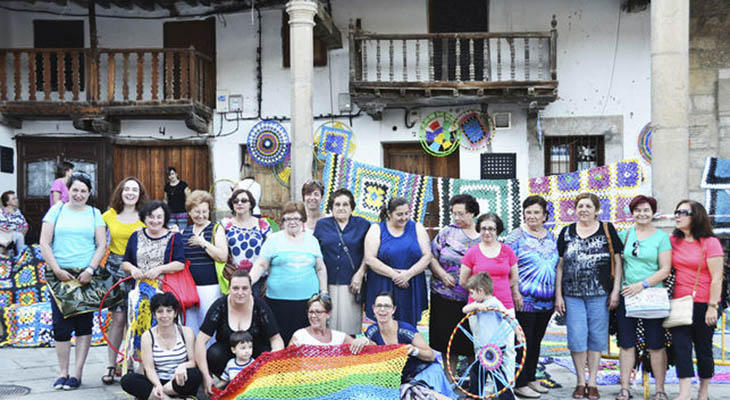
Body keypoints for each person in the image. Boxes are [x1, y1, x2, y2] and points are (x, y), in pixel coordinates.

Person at [39, 173, 106, 390]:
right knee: (60, 325)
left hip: (85, 276)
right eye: (75, 190)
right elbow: (44, 242)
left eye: (83, 191)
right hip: (60, 276)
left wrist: (90, 269)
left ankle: (76, 374)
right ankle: (62, 372)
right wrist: (56, 269)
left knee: (83, 324)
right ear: (68, 190)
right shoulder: (56, 210)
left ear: (89, 193)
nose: (78, 194)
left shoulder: (95, 213)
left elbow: (102, 245)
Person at [554, 192, 622, 400]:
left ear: (596, 209)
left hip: (600, 294)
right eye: (580, 206)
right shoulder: (566, 232)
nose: (583, 210)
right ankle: (580, 381)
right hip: (572, 295)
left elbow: (618, 262)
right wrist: (558, 295)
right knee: (576, 337)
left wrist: (616, 291)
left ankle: (592, 382)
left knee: (596, 337)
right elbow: (560, 266)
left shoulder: (607, 229)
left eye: (588, 206)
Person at [614, 195, 671, 400]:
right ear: (632, 213)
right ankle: (625, 388)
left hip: (652, 295)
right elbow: (618, 262)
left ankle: (660, 389)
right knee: (626, 343)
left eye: (646, 210)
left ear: (653, 212)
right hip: (627, 296)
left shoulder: (661, 237)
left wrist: (642, 284)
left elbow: (665, 269)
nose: (642, 214)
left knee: (655, 344)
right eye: (638, 210)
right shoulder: (626, 235)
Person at [503, 195, 558, 398]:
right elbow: (507, 265)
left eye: (536, 212)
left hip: (547, 301)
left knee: (536, 340)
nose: (532, 216)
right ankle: (520, 381)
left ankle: (531, 377)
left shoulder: (551, 236)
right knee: (523, 341)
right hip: (524, 299)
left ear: (545, 216)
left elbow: (557, 265)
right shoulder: (515, 237)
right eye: (528, 212)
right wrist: (514, 291)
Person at [196, 270, 284, 396]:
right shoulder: (220, 305)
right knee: (213, 353)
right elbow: (200, 340)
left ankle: (256, 386)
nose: (240, 293)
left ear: (251, 289)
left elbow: (276, 339)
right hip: (227, 358)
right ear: (229, 288)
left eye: (244, 288)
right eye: (235, 288)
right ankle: (228, 383)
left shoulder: (260, 306)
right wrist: (206, 376)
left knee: (267, 352)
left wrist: (272, 364)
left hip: (255, 358)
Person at [250, 201, 328, 344]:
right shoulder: (273, 239)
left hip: (307, 303)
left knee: (305, 341)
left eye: (296, 218)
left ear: (302, 220)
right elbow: (261, 264)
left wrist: (323, 292)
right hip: (277, 303)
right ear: (283, 221)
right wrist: (248, 282)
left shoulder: (312, 240)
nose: (292, 222)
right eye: (288, 219)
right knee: (280, 340)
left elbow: (320, 268)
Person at [670, 200, 724, 400]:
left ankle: (703, 391)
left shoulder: (710, 242)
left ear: (696, 216)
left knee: (703, 348)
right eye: (676, 212)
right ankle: (684, 393)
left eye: (683, 212)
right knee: (681, 347)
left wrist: (712, 306)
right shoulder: (673, 241)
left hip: (704, 302)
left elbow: (717, 277)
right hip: (678, 302)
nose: (677, 215)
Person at [364, 291, 456, 400]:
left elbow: (430, 355)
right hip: (402, 379)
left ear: (393, 310)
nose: (382, 309)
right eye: (379, 306)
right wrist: (363, 342)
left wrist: (414, 351)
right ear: (373, 309)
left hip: (424, 372)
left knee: (417, 393)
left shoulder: (405, 330)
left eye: (387, 306)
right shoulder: (371, 332)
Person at [101, 177, 148, 385]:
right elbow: (98, 242)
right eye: (127, 189)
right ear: (120, 192)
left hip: (139, 269)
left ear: (140, 194)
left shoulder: (146, 215)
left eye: (134, 190)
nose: (130, 193)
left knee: (136, 319)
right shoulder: (108, 215)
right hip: (115, 269)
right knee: (119, 319)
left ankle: (131, 365)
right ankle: (111, 365)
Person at [428, 194, 480, 378]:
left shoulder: (482, 235)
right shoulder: (447, 232)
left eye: (461, 214)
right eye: (454, 214)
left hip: (472, 299)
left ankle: (471, 380)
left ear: (472, 213)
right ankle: (449, 378)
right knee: (447, 340)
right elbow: (431, 256)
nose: (457, 218)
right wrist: (441, 274)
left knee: (471, 340)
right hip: (444, 296)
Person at [120, 292, 202, 400]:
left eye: (169, 311)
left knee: (195, 375)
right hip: (157, 380)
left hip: (179, 380)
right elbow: (149, 368)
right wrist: (158, 385)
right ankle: (167, 398)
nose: (164, 315)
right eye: (160, 311)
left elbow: (193, 361)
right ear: (154, 314)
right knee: (127, 380)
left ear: (175, 313)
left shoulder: (186, 332)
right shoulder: (148, 336)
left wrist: (182, 367)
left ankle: (159, 396)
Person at [364, 197, 431, 327]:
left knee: (408, 327)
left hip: (410, 284)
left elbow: (427, 256)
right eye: (399, 214)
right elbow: (370, 259)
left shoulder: (417, 227)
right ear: (389, 213)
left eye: (407, 213)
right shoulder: (376, 229)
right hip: (383, 284)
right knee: (384, 325)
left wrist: (408, 274)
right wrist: (395, 275)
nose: (404, 217)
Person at [313, 188, 371, 336]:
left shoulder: (363, 225)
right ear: (331, 208)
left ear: (352, 208)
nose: (341, 208)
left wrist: (360, 274)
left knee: (349, 329)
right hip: (327, 283)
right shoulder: (322, 225)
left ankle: (348, 357)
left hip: (352, 283)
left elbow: (369, 253)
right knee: (327, 325)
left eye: (345, 204)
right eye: (337, 204)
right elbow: (315, 253)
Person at [182, 190, 228, 334]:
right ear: (189, 212)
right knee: (190, 327)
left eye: (204, 211)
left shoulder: (216, 228)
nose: (200, 215)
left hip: (210, 287)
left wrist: (203, 243)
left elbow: (222, 256)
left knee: (209, 326)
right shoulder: (185, 231)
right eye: (196, 211)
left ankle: (208, 356)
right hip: (189, 288)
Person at [462, 273, 514, 400]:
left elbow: (507, 316)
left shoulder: (495, 303)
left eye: (472, 292)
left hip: (495, 348)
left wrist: (517, 331)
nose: (471, 296)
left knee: (497, 374)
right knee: (478, 372)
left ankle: (507, 397)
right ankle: (474, 395)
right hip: (484, 347)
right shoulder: (477, 304)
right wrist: (477, 306)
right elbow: (465, 310)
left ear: (481, 291)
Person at [221, 189, 271, 297]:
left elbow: (271, 251)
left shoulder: (262, 224)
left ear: (251, 204)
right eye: (236, 201)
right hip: (234, 279)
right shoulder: (225, 224)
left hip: (259, 279)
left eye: (244, 200)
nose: (239, 203)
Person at [121, 201, 185, 285]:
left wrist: (160, 269)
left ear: (164, 218)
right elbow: (125, 263)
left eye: (159, 217)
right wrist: (133, 269)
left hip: (165, 288)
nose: (155, 221)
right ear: (144, 218)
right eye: (151, 217)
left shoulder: (174, 236)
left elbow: (180, 264)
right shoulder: (136, 235)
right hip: (138, 288)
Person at [289, 293, 369, 351]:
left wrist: (364, 340)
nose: (313, 316)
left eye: (318, 312)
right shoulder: (300, 335)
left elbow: (366, 347)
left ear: (328, 314)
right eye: (311, 312)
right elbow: (287, 360)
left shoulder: (338, 337)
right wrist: (293, 352)